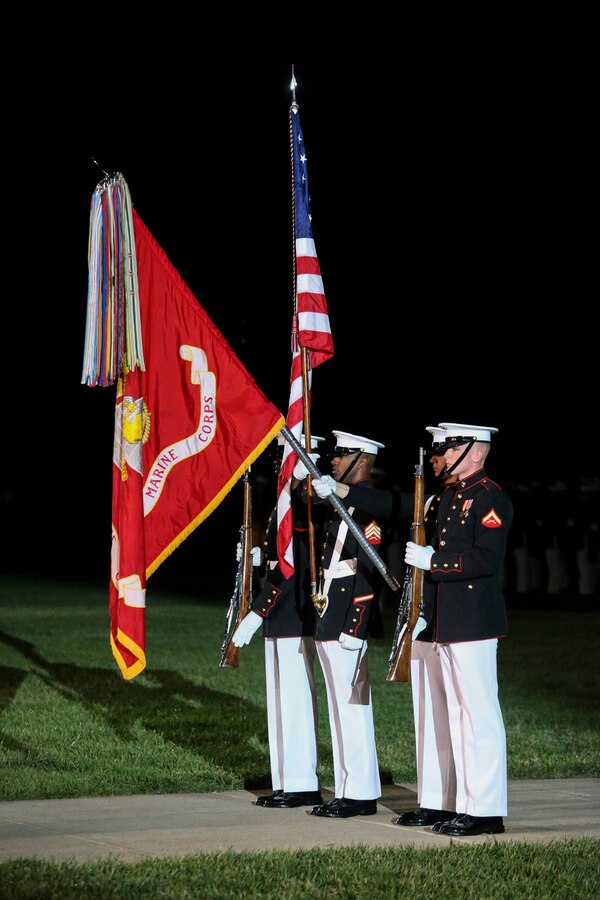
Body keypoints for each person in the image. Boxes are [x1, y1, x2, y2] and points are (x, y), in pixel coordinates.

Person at [403, 423, 513, 837]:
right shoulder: (452, 495)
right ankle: (463, 804)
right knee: (455, 714)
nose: (445, 454)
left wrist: (435, 562)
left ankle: (486, 810)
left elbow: (486, 560)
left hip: (473, 621)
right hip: (448, 620)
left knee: (478, 715)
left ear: (476, 453)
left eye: (453, 447)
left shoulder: (489, 497)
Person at [299, 431, 393, 819]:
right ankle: (347, 788)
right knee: (339, 711)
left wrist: (355, 628)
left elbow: (368, 573)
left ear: (362, 461)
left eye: (341, 455)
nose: (333, 460)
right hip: (329, 616)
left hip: (346, 624)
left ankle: (360, 793)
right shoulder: (338, 502)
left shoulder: (369, 509)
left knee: (352, 710)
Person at [231, 434, 325, 809]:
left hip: (293, 613)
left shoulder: (306, 509)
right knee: (280, 701)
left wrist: (258, 610)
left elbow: (292, 567)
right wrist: (255, 561)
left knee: (297, 700)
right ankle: (286, 779)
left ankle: (303, 782)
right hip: (279, 616)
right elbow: (276, 560)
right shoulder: (283, 506)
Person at [394, 425, 459, 829]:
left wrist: (432, 560)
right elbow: (391, 504)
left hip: (451, 619)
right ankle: (433, 798)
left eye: (441, 451)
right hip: (424, 618)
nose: (435, 459)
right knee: (428, 714)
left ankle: (456, 799)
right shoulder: (436, 500)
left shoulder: (475, 498)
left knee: (456, 712)